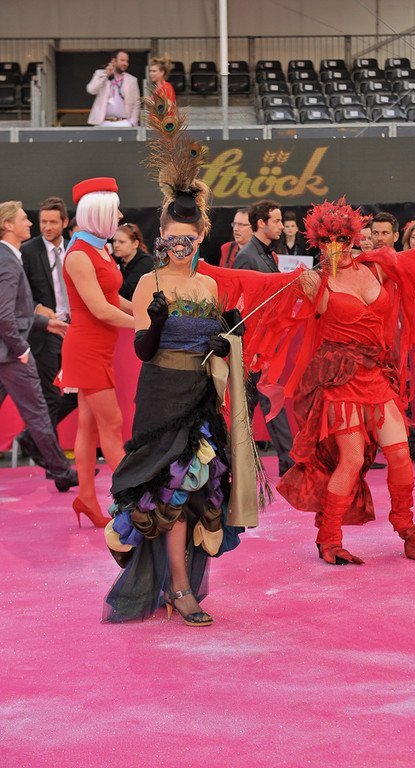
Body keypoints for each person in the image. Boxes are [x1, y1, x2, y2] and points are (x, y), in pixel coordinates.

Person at [271, 198, 415, 565]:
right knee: (351, 459)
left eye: (342, 238)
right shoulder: (314, 280)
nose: (336, 246)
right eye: (327, 240)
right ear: (317, 241)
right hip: (339, 378)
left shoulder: (376, 267)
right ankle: (328, 538)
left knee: (400, 454)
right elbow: (261, 293)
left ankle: (407, 529)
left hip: (376, 374)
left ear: (353, 237)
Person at [104, 106, 262, 625]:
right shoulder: (148, 283)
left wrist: (228, 339)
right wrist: (153, 324)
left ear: (199, 238)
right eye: (171, 239)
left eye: (188, 241)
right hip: (160, 400)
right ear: (160, 238)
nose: (179, 247)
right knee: (169, 492)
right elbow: (142, 352)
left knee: (196, 493)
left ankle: (179, 584)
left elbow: (218, 349)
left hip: (199, 400)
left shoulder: (209, 285)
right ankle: (177, 587)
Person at [57, 177, 135, 527]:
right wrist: (143, 324)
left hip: (97, 347)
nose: (120, 215)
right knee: (112, 424)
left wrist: (144, 312)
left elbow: (112, 298)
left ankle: (86, 498)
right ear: (100, 213)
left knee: (89, 426)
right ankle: (136, 499)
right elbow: (100, 310)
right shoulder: (78, 255)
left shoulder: (98, 249)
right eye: (115, 210)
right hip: (87, 348)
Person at [0, 201, 78, 492]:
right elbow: (4, 314)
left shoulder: (8, 257)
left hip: (9, 349)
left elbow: (14, 311)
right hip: (11, 354)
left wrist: (46, 324)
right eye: (24, 219)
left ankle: (60, 469)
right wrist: (21, 349)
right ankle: (61, 471)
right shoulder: (8, 261)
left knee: (40, 410)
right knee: (38, 412)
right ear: (8, 225)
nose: (31, 223)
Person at [370, 212, 415, 463]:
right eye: (375, 233)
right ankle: (381, 449)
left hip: (398, 342)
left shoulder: (404, 262)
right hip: (369, 344)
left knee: (401, 391)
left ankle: (408, 444)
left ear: (395, 236)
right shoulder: (362, 264)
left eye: (384, 233)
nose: (379, 238)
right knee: (372, 397)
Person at [233, 200, 294, 476]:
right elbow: (242, 305)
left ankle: (284, 462)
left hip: (266, 342)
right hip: (254, 345)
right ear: (262, 223)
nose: (281, 226)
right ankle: (287, 463)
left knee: (255, 404)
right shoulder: (247, 256)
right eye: (277, 221)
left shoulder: (267, 254)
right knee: (258, 404)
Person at [20, 197, 77, 447]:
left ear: (64, 222)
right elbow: (19, 293)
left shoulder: (74, 249)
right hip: (45, 333)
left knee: (77, 394)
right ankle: (48, 453)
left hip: (74, 330)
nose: (47, 227)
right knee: (51, 395)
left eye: (53, 222)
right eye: (43, 221)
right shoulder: (28, 251)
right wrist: (37, 308)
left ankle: (32, 439)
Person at [86, 49, 141, 127]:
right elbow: (91, 89)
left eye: (127, 61)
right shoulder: (101, 74)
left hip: (124, 122)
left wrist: (132, 122)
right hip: (103, 122)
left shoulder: (132, 80)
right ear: (113, 61)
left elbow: (136, 102)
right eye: (122, 60)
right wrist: (106, 74)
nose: (125, 63)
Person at [113, 222, 154, 300]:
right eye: (114, 241)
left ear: (135, 244)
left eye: (121, 242)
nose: (116, 245)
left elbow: (127, 291)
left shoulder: (146, 262)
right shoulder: (115, 258)